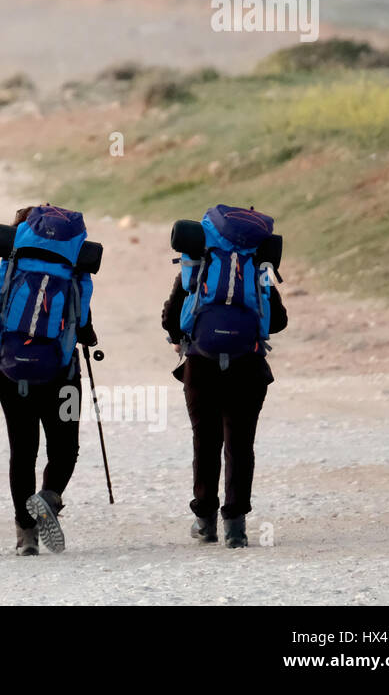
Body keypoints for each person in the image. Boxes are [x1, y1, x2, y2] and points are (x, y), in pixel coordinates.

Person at [0, 205, 97, 556]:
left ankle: (26, 536)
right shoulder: (71, 274)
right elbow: (82, 326)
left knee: (22, 453)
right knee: (66, 447)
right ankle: (48, 498)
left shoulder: (3, 277)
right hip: (64, 377)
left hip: (12, 377)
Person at [161, 205, 288, 548]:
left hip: (200, 364)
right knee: (240, 444)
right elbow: (277, 321)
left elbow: (172, 315)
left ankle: (205, 521)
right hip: (248, 364)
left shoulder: (197, 265)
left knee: (205, 441)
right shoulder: (257, 267)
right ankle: (236, 526)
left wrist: (177, 338)